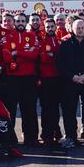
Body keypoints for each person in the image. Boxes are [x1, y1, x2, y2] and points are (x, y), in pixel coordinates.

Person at [56, 19, 84, 148]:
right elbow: (60, 64)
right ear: (72, 29)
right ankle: (70, 137)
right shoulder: (64, 44)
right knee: (69, 111)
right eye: (78, 28)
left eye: (82, 27)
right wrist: (72, 76)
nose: (80, 30)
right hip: (70, 82)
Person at [1, 13, 40, 146]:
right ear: (14, 23)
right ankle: (10, 139)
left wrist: (17, 53)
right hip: (12, 79)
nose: (20, 23)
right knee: (10, 110)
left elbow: (34, 55)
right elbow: (6, 57)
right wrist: (25, 54)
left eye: (23, 21)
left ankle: (31, 138)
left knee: (29, 109)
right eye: (18, 21)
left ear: (26, 22)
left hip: (29, 78)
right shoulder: (7, 37)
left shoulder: (32, 36)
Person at [38, 18, 63, 146]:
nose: (50, 29)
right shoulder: (42, 41)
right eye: (47, 27)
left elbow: (62, 58)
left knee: (55, 108)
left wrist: (53, 55)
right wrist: (53, 56)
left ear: (55, 27)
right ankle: (46, 134)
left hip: (58, 79)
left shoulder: (60, 40)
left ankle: (56, 132)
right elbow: (44, 57)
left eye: (52, 26)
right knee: (47, 108)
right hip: (46, 79)